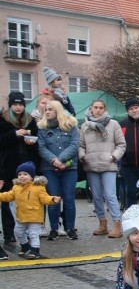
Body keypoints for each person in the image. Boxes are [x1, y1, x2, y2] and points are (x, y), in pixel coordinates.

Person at [79, 98, 127, 238]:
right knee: (96, 196)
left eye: (101, 107)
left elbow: (121, 144)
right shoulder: (85, 126)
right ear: (91, 108)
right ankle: (102, 223)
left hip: (108, 164)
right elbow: (81, 145)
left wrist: (113, 157)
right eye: (95, 107)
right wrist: (83, 156)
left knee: (110, 195)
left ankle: (117, 224)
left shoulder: (113, 124)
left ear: (104, 109)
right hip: (91, 164)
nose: (98, 110)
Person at [0, 91, 40, 246]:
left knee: (27, 199)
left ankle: (29, 232)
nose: (18, 107)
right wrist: (15, 134)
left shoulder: (30, 120)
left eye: (20, 104)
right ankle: (9, 233)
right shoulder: (2, 120)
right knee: (7, 199)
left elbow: (36, 141)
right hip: (7, 166)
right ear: (11, 105)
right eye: (15, 104)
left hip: (27, 166)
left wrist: (31, 142)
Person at [37, 100, 80, 241]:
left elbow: (74, 145)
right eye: (46, 109)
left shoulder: (71, 125)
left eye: (50, 109)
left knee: (69, 199)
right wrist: (54, 161)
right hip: (50, 169)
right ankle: (54, 228)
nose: (47, 111)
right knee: (53, 198)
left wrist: (61, 160)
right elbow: (41, 148)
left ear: (58, 111)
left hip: (69, 168)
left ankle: (70, 228)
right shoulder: (42, 128)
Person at [0, 161, 60, 259]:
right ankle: (25, 246)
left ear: (32, 176)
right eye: (19, 174)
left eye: (25, 174)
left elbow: (45, 198)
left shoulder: (38, 187)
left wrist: (53, 199)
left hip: (34, 216)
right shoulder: (16, 187)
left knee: (33, 234)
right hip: (21, 216)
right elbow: (8, 196)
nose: (22, 176)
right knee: (18, 232)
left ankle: (35, 250)